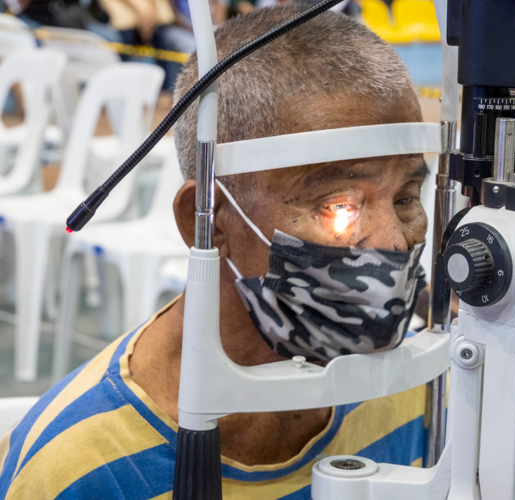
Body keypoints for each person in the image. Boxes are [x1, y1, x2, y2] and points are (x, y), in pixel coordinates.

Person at [0, 7, 429, 499]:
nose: (393, 241)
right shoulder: (77, 474)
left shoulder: (417, 391)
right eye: (338, 207)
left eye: (405, 199)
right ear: (209, 222)